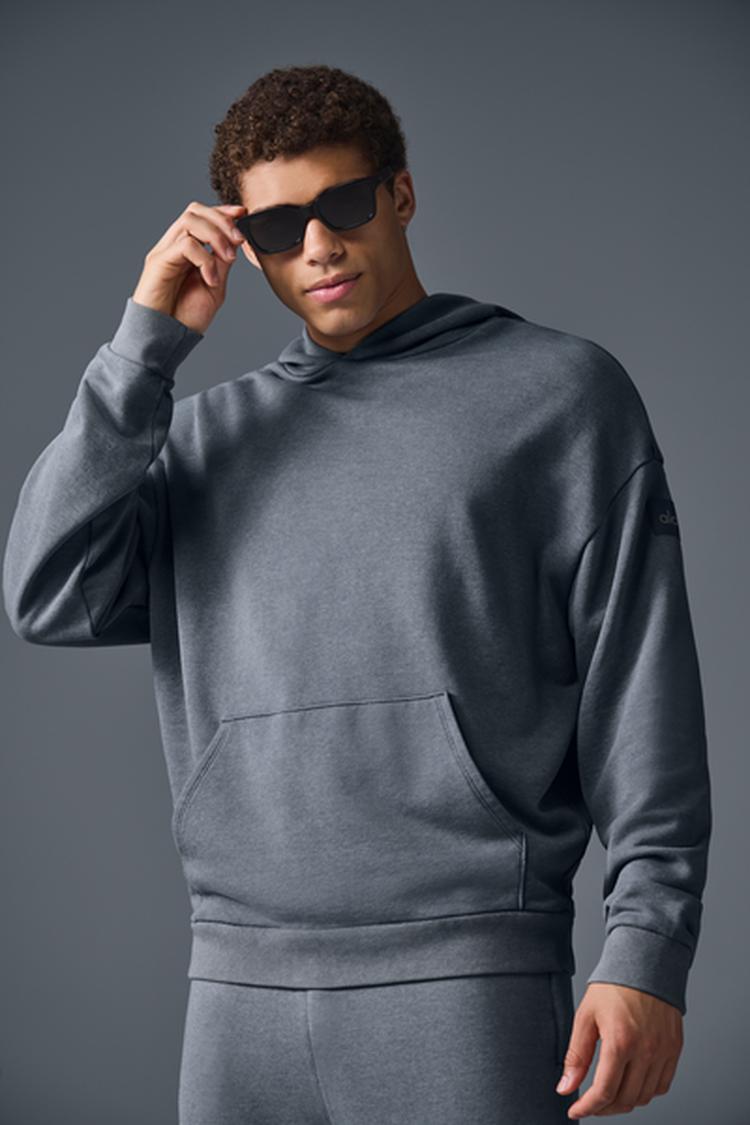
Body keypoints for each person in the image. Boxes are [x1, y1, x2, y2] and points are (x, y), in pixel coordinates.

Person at [2, 63, 712, 1124]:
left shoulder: (558, 397)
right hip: (236, 992)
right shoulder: (202, 440)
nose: (319, 246)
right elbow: (46, 591)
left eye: (341, 205)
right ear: (246, 246)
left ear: (401, 194)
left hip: (468, 978)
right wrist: (143, 349)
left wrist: (648, 944)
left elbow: (641, 685)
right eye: (277, 228)